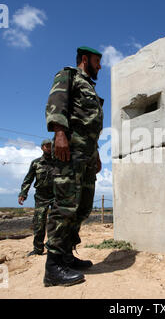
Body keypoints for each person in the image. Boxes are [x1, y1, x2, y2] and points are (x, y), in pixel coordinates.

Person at [43, 46, 103, 287]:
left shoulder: (90, 86)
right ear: (85, 59)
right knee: (65, 205)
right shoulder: (68, 76)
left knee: (83, 207)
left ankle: (67, 255)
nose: (100, 66)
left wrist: (96, 154)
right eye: (98, 61)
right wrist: (59, 134)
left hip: (87, 154)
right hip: (70, 150)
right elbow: (56, 102)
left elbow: (91, 125)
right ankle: (54, 268)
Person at [18, 139, 54, 257]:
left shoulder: (59, 162)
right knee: (39, 223)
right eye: (47, 146)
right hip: (41, 197)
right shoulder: (36, 163)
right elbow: (28, 179)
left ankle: (53, 248)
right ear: (42, 147)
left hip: (56, 196)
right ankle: (38, 249)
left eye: (51, 146)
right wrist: (23, 193)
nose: (49, 148)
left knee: (55, 223)